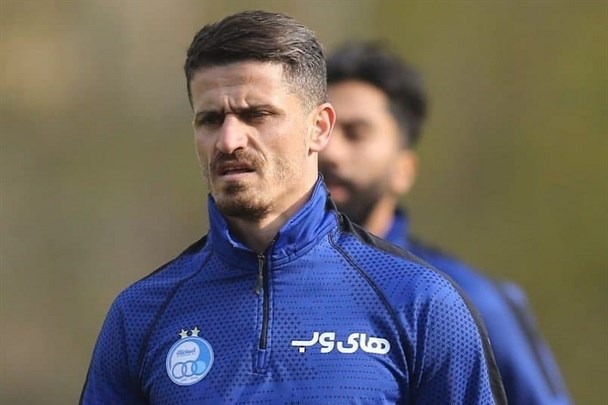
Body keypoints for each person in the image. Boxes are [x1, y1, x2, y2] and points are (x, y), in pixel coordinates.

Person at [80, 11, 506, 404]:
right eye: (210, 120)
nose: (229, 140)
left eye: (257, 115)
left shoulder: (419, 302)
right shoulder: (141, 314)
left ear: (319, 127)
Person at [319, 41, 571, 405]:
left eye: (356, 133)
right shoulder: (257, 284)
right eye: (320, 131)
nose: (330, 152)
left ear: (404, 169)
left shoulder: (466, 301)